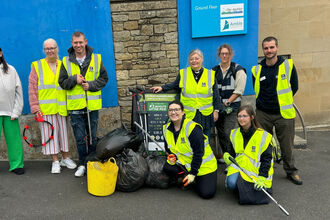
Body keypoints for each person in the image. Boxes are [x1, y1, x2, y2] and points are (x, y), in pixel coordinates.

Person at [251, 36, 302, 185]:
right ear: (263, 50)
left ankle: (291, 171)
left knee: (287, 146)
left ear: (277, 48)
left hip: (283, 114)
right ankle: (265, 171)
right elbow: (257, 89)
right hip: (262, 114)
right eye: (266, 48)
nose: (269, 50)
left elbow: (295, 86)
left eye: (271, 47)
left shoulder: (288, 66)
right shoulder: (257, 69)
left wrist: (283, 101)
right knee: (264, 144)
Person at [58, 32, 108, 177]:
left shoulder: (96, 59)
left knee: (92, 137)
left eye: (80, 42)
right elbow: (62, 83)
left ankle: (91, 163)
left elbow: (104, 78)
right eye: (75, 43)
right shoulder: (66, 61)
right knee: (80, 138)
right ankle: (82, 164)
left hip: (91, 107)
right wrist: (74, 79)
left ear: (85, 42)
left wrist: (90, 85)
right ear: (72, 43)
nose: (78, 45)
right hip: (75, 107)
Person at [29, 38, 77, 174]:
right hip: (45, 109)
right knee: (49, 135)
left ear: (57, 49)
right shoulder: (37, 66)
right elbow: (32, 89)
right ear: (44, 50)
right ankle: (55, 161)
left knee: (63, 134)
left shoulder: (64, 64)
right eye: (47, 48)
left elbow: (69, 86)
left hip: (62, 108)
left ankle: (65, 158)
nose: (50, 51)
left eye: (52, 48)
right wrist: (35, 108)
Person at [151, 49, 221, 140]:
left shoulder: (210, 74)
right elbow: (175, 85)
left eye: (197, 58)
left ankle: (204, 154)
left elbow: (216, 95)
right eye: (191, 59)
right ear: (189, 61)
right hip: (189, 114)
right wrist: (162, 88)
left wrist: (216, 111)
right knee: (190, 138)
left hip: (205, 115)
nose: (194, 61)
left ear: (202, 59)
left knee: (205, 139)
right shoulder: (183, 73)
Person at [162, 100, 218, 199]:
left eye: (176, 109)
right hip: (186, 164)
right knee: (168, 168)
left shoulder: (193, 129)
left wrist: (193, 173)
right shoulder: (166, 129)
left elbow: (199, 153)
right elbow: (169, 148)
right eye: (170, 110)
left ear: (183, 112)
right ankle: (185, 176)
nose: (173, 112)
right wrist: (172, 156)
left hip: (204, 166)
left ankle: (195, 178)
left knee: (206, 194)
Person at [223, 105, 273, 204]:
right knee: (231, 183)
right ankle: (243, 188)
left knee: (256, 189)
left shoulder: (263, 136)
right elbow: (230, 151)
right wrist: (227, 155)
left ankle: (246, 189)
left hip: (255, 170)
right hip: (239, 167)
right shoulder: (234, 133)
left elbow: (267, 159)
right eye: (239, 116)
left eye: (245, 116)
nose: (241, 119)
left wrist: (262, 176)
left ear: (252, 117)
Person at [212, 44, 246, 161]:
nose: (225, 56)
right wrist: (217, 107)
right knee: (220, 133)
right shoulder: (214, 71)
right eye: (222, 53)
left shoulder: (238, 70)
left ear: (231, 54)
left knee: (228, 133)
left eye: (227, 53)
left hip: (232, 108)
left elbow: (239, 90)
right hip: (218, 108)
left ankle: (233, 159)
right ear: (219, 55)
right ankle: (226, 157)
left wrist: (227, 103)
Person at [0, 47, 25, 175]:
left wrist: (16, 111)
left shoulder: (11, 70)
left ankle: (16, 164)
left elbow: (19, 92)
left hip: (10, 113)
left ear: (0, 53)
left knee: (14, 140)